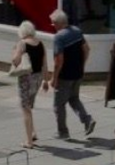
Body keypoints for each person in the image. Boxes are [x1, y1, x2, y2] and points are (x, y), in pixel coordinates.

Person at [47, 9, 96, 140]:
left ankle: (63, 132)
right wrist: (82, 66)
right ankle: (87, 120)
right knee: (74, 98)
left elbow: (59, 61)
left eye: (53, 23)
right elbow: (86, 49)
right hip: (77, 73)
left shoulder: (59, 37)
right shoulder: (77, 31)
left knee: (59, 105)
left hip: (65, 76)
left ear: (58, 23)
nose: (53, 26)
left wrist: (54, 78)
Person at [10, 19, 48, 148]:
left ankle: (29, 141)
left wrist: (14, 51)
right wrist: (46, 81)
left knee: (25, 109)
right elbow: (45, 65)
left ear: (22, 32)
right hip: (38, 79)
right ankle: (33, 133)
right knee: (29, 107)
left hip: (26, 79)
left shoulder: (22, 44)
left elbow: (15, 61)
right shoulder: (41, 44)